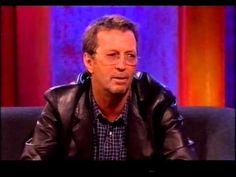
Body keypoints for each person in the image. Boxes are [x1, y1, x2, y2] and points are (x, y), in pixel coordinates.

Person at [21, 14, 196, 160]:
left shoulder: (157, 101)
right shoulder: (61, 105)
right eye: (113, 55)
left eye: (130, 56)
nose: (122, 65)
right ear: (89, 62)